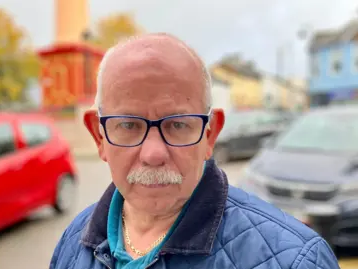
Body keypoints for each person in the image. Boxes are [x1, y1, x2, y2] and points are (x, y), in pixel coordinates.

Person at [50, 33, 340, 269]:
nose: (153, 154)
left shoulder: (297, 260)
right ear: (99, 137)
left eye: (177, 125)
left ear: (210, 134)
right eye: (128, 125)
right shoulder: (73, 241)